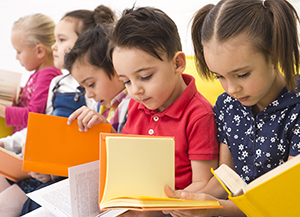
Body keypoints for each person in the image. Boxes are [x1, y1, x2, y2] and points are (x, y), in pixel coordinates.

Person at [163, 0, 300, 216]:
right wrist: (196, 200)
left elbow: (287, 199)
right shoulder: (227, 105)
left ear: (274, 53)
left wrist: (215, 207)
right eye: (219, 76)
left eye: (242, 74)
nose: (231, 89)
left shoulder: (296, 110)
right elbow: (226, 175)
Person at [108, 6, 219, 217]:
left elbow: (201, 184)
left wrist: (158, 207)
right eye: (126, 81)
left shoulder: (199, 114)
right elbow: (128, 162)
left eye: (145, 76)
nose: (135, 90)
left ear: (177, 63)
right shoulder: (137, 104)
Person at [18, 5, 115, 216]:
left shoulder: (104, 98)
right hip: (52, 171)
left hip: (73, 175)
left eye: (62, 40)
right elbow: (43, 125)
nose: (54, 47)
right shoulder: (58, 82)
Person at [0, 13, 62, 134]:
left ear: (39, 51)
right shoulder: (41, 73)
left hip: (24, 144)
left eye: (19, 51)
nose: (16, 57)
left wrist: (2, 110)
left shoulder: (48, 75)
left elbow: (33, 116)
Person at [66, 24, 130, 134]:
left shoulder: (133, 104)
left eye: (91, 84)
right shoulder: (99, 106)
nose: (88, 94)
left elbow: (131, 149)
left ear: (117, 71)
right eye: (83, 88)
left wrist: (107, 130)